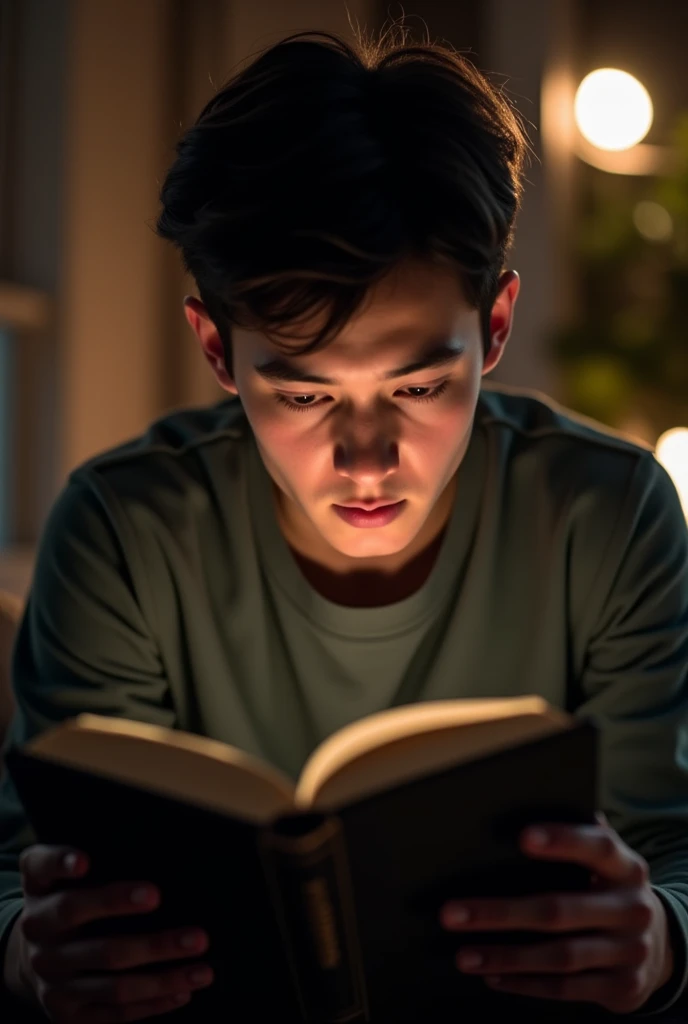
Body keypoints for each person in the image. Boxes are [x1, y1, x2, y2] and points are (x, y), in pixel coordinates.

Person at [1, 22, 687, 1024]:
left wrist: (657, 940)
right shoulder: (123, 528)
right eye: (305, 397)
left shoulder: (606, 512)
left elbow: (670, 846)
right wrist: (31, 953)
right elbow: (24, 865)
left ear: (494, 326)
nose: (367, 458)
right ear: (215, 349)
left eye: (416, 383)